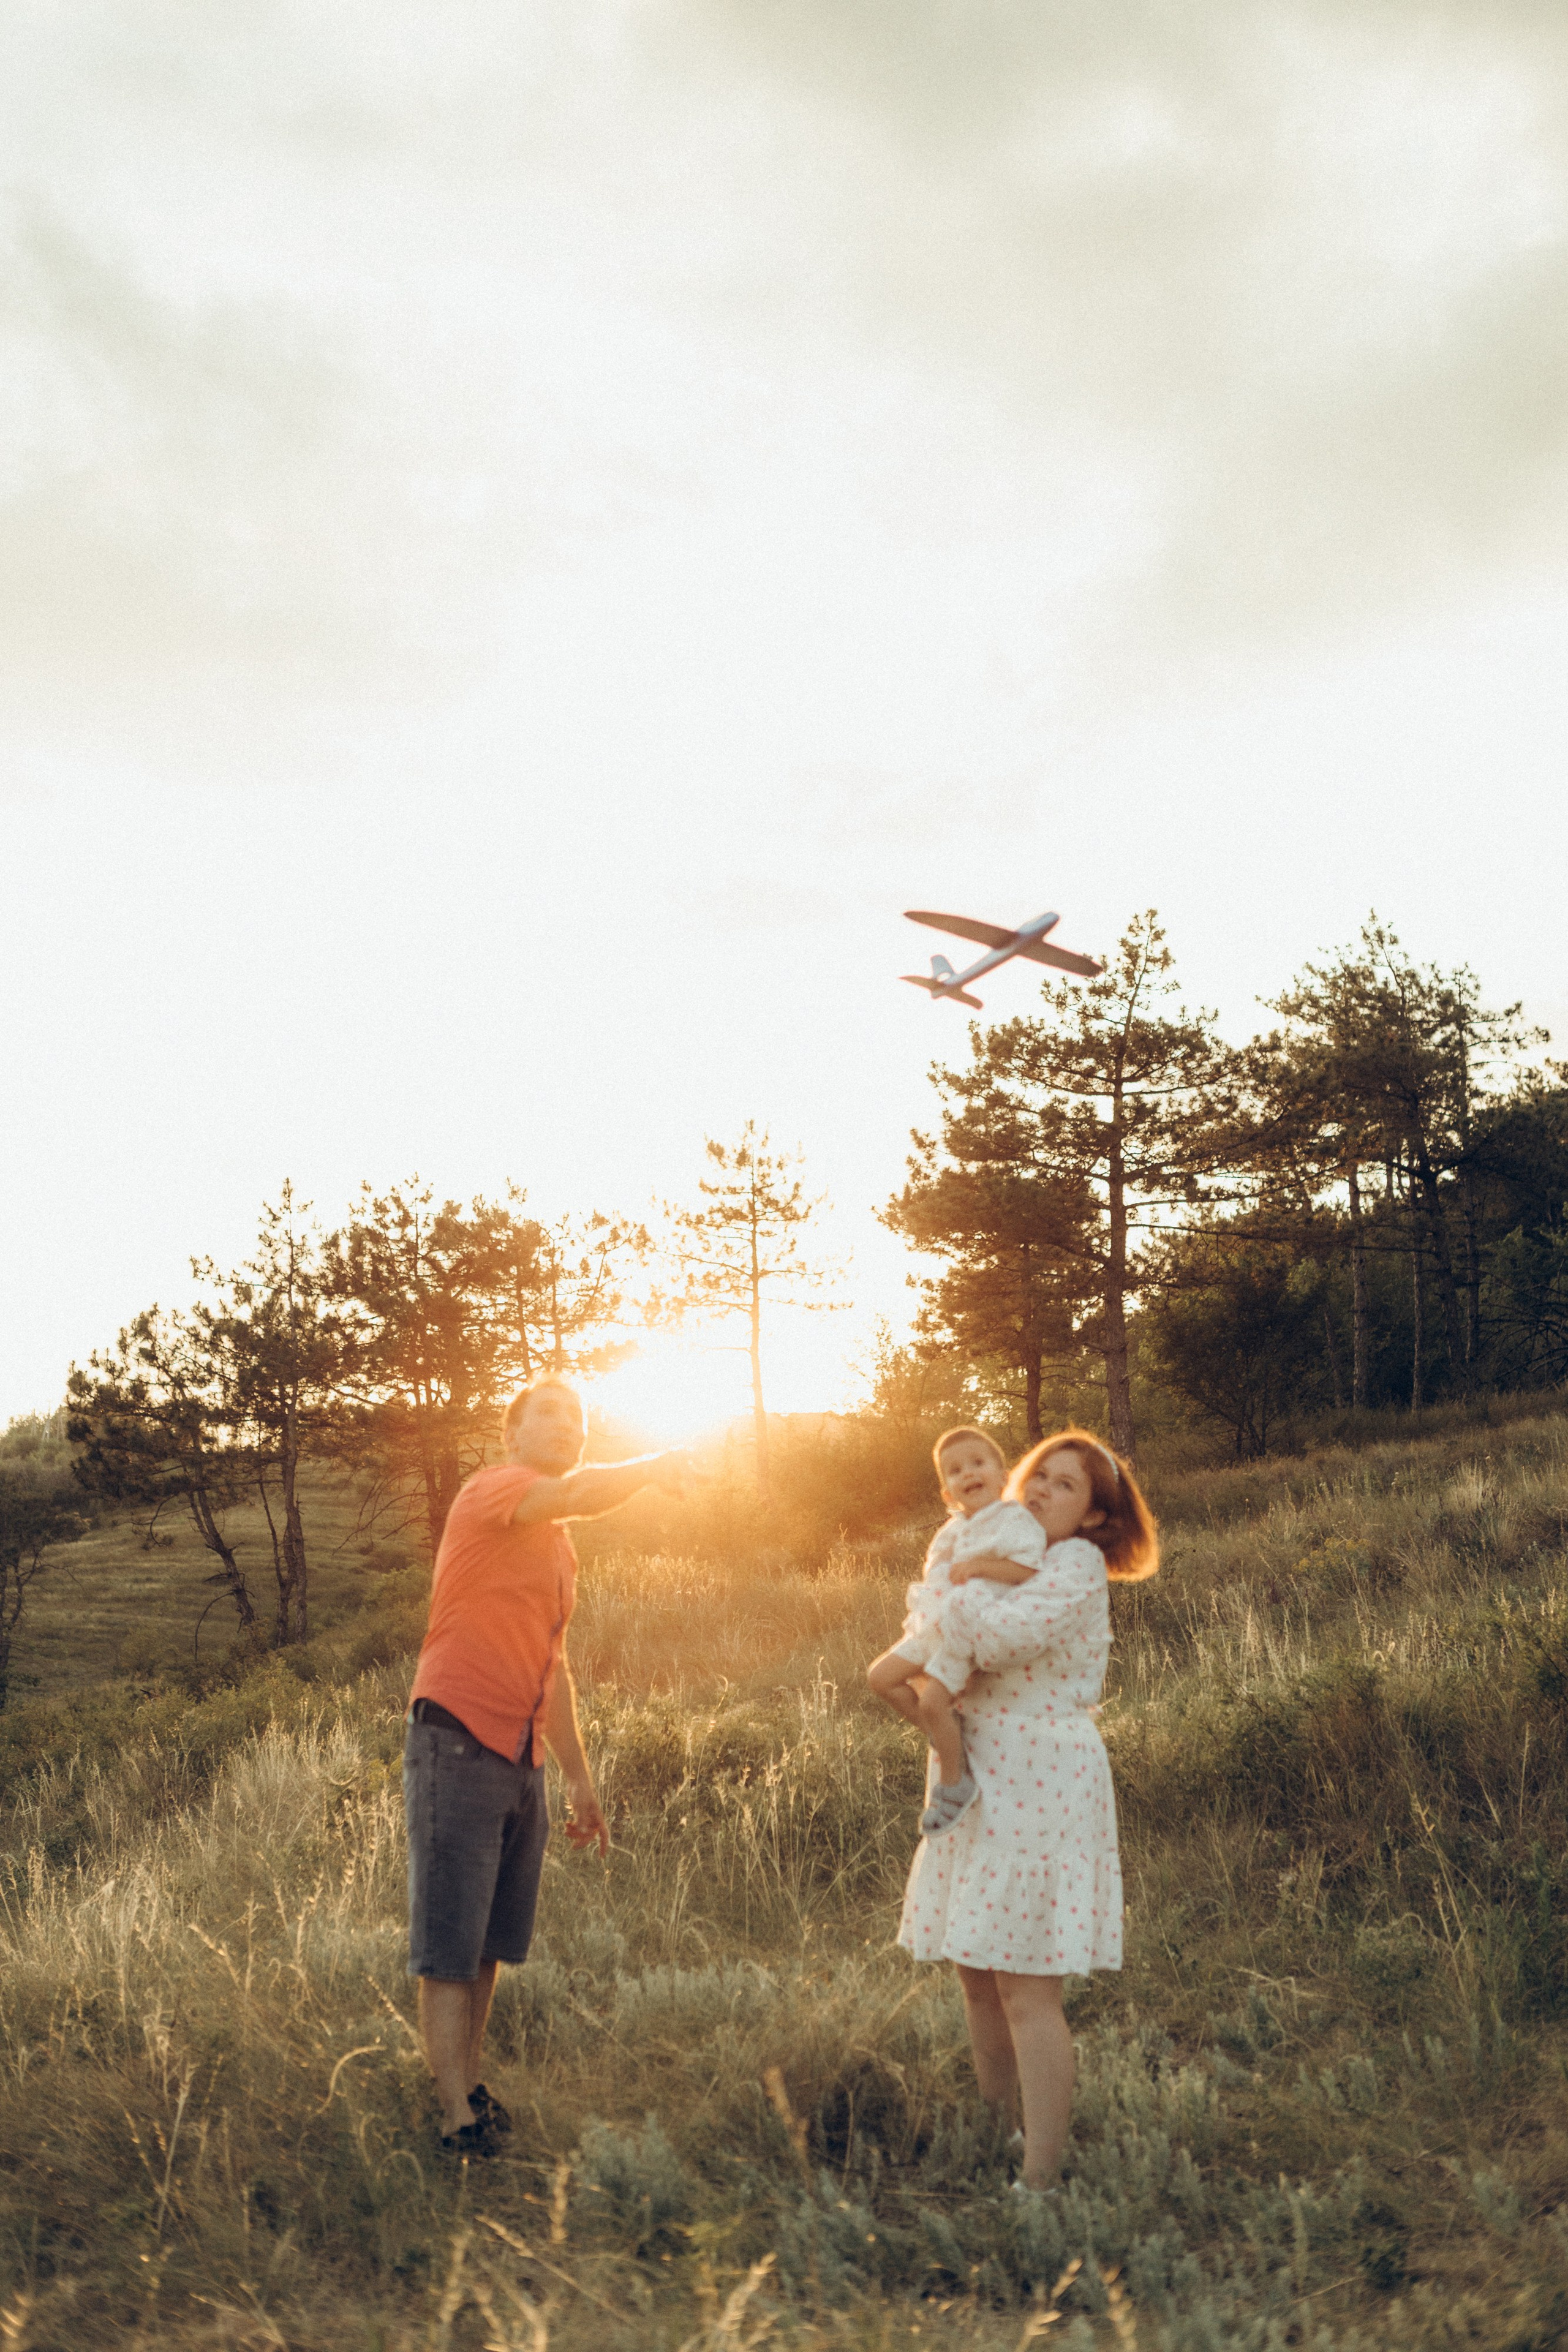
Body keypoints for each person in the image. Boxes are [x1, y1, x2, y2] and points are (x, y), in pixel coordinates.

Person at [403, 1376, 692, 2155]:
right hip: (457, 1732)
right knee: (448, 1939)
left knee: (491, 1942)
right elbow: (588, 1493)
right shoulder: (495, 1492)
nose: (569, 1425)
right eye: (552, 1413)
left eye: (581, 1417)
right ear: (514, 1436)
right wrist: (657, 1463)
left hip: (520, 1752)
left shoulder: (558, 1546)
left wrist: (579, 1777)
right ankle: (453, 2118)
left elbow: (554, 1666)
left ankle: (469, 2085)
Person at [895, 1427, 1159, 2189]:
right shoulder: (992, 1542)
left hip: (1041, 1778)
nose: (1042, 1490)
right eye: (1040, 1474)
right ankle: (996, 2133)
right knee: (974, 1971)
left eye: (1067, 1486)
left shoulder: (1074, 1564)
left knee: (1025, 1984)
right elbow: (929, 1634)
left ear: (1095, 1519)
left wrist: (960, 1581)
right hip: (977, 1768)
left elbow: (999, 1639)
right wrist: (960, 1579)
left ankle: (1039, 2179)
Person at [866, 1427, 1046, 1834]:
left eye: (978, 1463)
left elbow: (1029, 1568)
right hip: (936, 1625)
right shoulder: (951, 1528)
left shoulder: (1013, 1520)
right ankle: (947, 1737)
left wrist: (981, 1567)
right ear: (948, 1493)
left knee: (932, 1701)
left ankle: (955, 1784)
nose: (968, 1473)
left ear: (1004, 1476)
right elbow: (937, 1575)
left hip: (974, 1626)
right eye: (955, 1470)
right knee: (880, 1678)